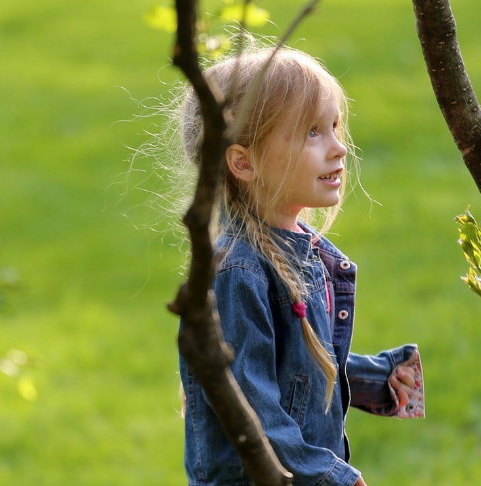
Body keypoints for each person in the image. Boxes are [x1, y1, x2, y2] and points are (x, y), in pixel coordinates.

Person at [174, 40, 425, 486]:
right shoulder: (238, 273)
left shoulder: (301, 250)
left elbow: (296, 367)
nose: (338, 149)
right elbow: (255, 410)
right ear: (243, 162)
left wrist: (378, 380)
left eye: (334, 126)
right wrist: (332, 476)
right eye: (312, 132)